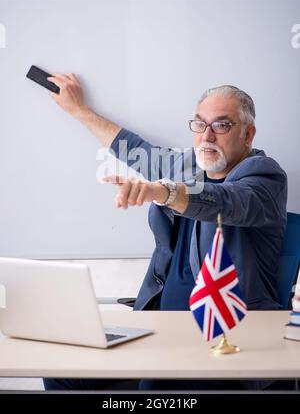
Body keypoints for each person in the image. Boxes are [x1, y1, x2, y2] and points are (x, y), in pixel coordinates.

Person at [43, 75, 287, 391]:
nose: (207, 136)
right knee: (61, 372)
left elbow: (227, 202)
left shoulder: (265, 177)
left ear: (248, 134)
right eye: (199, 125)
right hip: (159, 329)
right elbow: (133, 149)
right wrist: (79, 110)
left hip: (223, 342)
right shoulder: (187, 166)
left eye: (222, 126)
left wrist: (164, 191)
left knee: (153, 388)